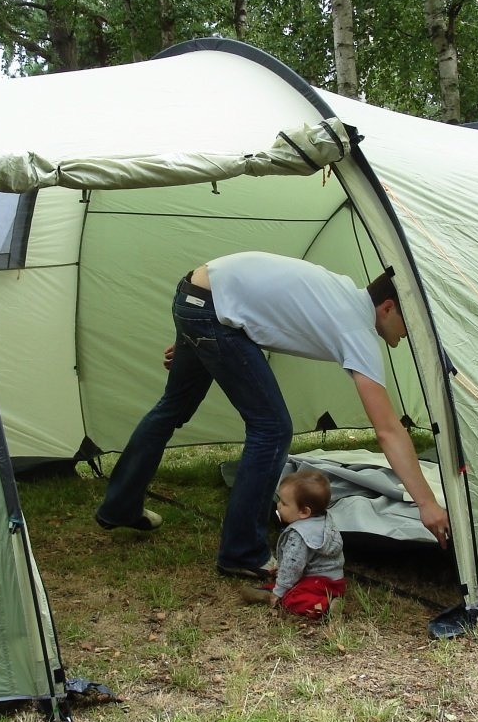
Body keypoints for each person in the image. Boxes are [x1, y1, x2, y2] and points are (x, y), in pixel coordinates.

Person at [95, 251, 450, 578]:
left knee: (173, 406)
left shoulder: (341, 293)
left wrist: (198, 334)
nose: (411, 336)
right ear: (388, 307)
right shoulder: (357, 328)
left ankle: (120, 506)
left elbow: (267, 306)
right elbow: (388, 430)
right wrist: (427, 504)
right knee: (273, 427)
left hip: (199, 297)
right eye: (412, 324)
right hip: (212, 312)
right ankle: (242, 553)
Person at [240, 469, 345, 617]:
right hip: (334, 581)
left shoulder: (299, 535)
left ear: (304, 512)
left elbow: (293, 567)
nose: (278, 506)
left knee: (292, 598)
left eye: (284, 503)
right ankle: (267, 593)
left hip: (318, 583)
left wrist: (280, 589)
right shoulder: (324, 521)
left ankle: (327, 607)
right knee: (289, 584)